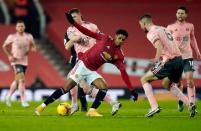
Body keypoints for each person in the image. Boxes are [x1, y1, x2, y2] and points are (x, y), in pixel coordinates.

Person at [35, 10, 138, 117]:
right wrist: (74, 23)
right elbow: (88, 32)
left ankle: (91, 110)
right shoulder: (105, 38)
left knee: (103, 86)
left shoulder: (119, 55)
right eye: (119, 37)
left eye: (123, 39)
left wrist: (132, 90)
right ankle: (42, 106)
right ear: (115, 36)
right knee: (66, 88)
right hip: (82, 64)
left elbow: (123, 72)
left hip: (91, 71)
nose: (120, 40)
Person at [64, 8, 122, 115]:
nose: (73, 19)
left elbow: (101, 38)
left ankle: (76, 105)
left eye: (75, 16)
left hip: (90, 58)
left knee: (83, 86)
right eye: (71, 18)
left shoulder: (92, 26)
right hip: (81, 59)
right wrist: (76, 38)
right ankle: (112, 102)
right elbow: (71, 41)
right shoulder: (71, 29)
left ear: (80, 15)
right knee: (81, 85)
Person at [139, 14, 196, 117]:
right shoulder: (163, 28)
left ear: (144, 23)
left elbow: (159, 45)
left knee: (144, 79)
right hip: (179, 60)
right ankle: (190, 104)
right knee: (167, 84)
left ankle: (154, 107)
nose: (141, 27)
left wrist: (156, 58)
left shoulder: (151, 32)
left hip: (170, 61)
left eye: (140, 25)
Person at [165, 6, 201, 112]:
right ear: (176, 14)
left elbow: (193, 38)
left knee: (189, 80)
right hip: (176, 58)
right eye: (178, 13)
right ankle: (181, 101)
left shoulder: (190, 26)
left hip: (187, 57)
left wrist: (197, 51)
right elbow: (166, 42)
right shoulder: (170, 27)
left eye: (182, 13)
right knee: (179, 83)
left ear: (186, 15)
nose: (180, 15)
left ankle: (192, 105)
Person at [2, 20, 36, 107]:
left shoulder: (29, 36)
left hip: (24, 61)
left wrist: (33, 48)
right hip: (15, 61)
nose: (20, 28)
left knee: (17, 81)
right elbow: (4, 46)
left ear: (24, 27)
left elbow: (33, 45)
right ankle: (23, 100)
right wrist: (9, 56)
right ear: (16, 28)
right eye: (19, 26)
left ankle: (8, 96)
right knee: (22, 80)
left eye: (22, 26)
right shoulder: (12, 36)